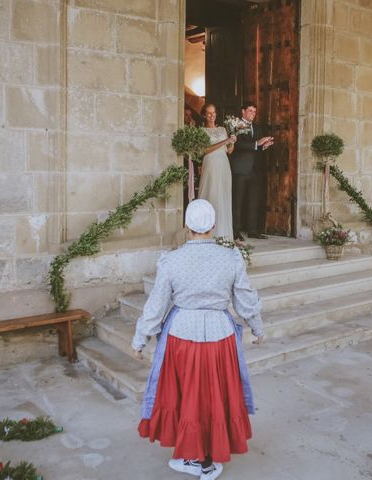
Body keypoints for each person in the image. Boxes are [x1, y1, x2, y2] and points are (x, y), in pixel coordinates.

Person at [132, 199, 264, 480]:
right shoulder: (230, 258)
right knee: (214, 397)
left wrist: (140, 338)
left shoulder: (171, 260)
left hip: (182, 336)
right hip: (220, 336)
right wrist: (257, 327)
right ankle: (207, 460)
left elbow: (156, 305)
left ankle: (195, 458)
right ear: (213, 227)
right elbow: (245, 298)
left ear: (186, 227)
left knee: (188, 397)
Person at [229, 101, 274, 241]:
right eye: (250, 111)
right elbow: (236, 145)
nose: (252, 114)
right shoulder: (234, 125)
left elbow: (256, 147)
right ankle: (235, 231)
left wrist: (263, 146)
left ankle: (253, 230)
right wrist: (257, 143)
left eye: (254, 111)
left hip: (255, 169)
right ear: (243, 111)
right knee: (237, 201)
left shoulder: (257, 126)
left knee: (254, 201)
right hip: (240, 169)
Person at [198, 103, 236, 240]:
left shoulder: (222, 129)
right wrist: (225, 141)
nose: (211, 115)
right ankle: (207, 232)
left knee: (223, 195)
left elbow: (229, 150)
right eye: (208, 113)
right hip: (210, 163)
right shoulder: (201, 131)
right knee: (212, 193)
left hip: (223, 164)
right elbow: (204, 150)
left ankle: (223, 232)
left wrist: (232, 142)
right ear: (204, 115)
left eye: (213, 113)